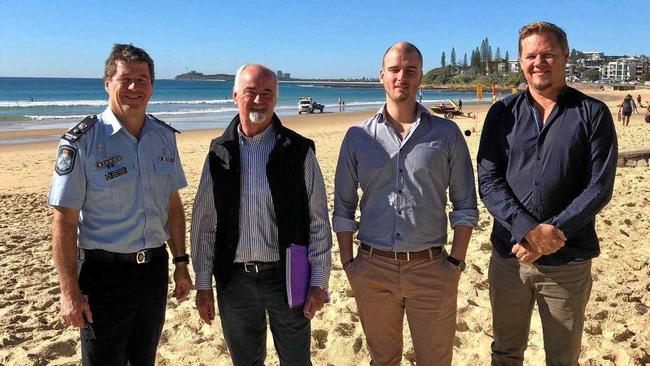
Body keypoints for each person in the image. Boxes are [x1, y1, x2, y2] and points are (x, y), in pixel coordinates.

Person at [477, 22, 617, 366]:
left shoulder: (592, 113)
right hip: (510, 257)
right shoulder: (501, 113)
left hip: (568, 260)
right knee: (506, 352)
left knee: (563, 357)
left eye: (548, 54)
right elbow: (488, 180)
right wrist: (527, 229)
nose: (539, 62)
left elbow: (599, 187)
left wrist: (551, 232)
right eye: (531, 56)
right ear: (520, 61)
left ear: (565, 56)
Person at [334, 41, 478, 366]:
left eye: (410, 70)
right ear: (382, 75)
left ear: (420, 77)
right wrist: (348, 264)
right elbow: (343, 208)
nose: (402, 76)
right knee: (383, 360)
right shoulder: (358, 136)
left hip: (432, 269)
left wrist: (455, 264)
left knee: (435, 361)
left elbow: (465, 204)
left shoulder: (447, 134)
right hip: (373, 268)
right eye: (395, 69)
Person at [48, 44, 192, 365]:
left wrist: (181, 262)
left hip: (153, 271)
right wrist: (69, 290)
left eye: (142, 79)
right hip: (103, 276)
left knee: (144, 358)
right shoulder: (80, 141)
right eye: (125, 79)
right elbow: (64, 222)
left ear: (152, 86)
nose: (133, 87)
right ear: (107, 83)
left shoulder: (163, 136)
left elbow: (172, 205)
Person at [191, 63, 332, 365]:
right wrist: (203, 284)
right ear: (234, 96)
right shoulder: (218, 154)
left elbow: (319, 221)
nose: (258, 100)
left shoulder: (298, 150)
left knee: (296, 361)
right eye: (250, 92)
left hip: (286, 277)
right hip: (234, 281)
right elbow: (204, 225)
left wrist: (319, 281)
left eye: (267, 93)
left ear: (276, 98)